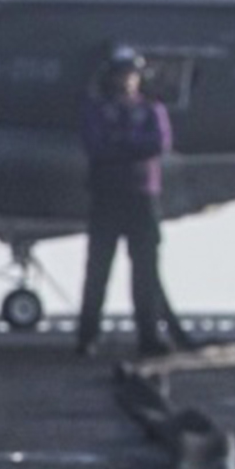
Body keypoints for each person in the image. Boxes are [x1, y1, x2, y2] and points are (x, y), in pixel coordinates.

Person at [76, 46, 173, 356]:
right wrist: (132, 145)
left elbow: (159, 143)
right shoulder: (97, 109)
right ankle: (87, 335)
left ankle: (149, 335)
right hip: (108, 195)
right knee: (98, 270)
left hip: (142, 196)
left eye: (131, 74)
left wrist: (120, 142)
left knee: (145, 271)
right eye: (121, 74)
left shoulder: (151, 110)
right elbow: (95, 145)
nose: (126, 80)